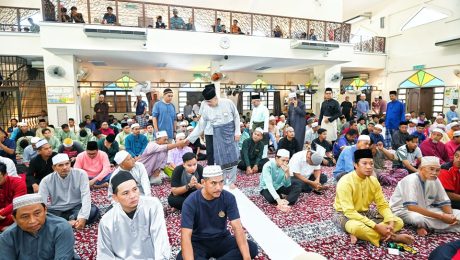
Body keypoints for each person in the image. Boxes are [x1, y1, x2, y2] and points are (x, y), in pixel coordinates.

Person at [333, 149, 413, 247]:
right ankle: (393, 237)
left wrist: (390, 220)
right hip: (344, 214)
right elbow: (349, 212)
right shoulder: (345, 182)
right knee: (356, 227)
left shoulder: (373, 181)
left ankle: (367, 234)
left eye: (371, 163)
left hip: (365, 213)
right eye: (364, 163)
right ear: (355, 165)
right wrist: (375, 226)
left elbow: (382, 204)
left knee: (398, 221)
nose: (369, 167)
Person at [177, 165, 258, 260]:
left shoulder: (228, 197)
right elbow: (186, 235)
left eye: (221, 182)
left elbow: (237, 227)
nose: (219, 187)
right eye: (213, 183)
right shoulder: (190, 201)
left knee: (251, 248)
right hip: (199, 242)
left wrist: (246, 258)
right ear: (203, 182)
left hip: (221, 239)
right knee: (182, 257)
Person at [98, 171, 171, 259]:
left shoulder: (152, 205)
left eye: (135, 189)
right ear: (115, 198)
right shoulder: (107, 220)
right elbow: (104, 254)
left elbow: (160, 239)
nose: (133, 196)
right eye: (126, 193)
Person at [186, 84, 241, 188]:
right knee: (221, 158)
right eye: (207, 102)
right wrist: (189, 138)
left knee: (233, 157)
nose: (208, 104)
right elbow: (201, 125)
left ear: (215, 98)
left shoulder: (227, 102)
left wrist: (237, 132)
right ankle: (223, 181)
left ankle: (232, 181)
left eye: (210, 101)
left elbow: (236, 116)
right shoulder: (206, 108)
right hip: (217, 135)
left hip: (230, 132)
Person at [390, 156, 460, 236]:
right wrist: (441, 217)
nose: (434, 173)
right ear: (421, 169)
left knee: (458, 213)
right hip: (404, 210)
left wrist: (450, 216)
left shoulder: (435, 179)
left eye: (437, 170)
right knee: (418, 219)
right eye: (431, 169)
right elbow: (411, 207)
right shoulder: (411, 180)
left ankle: (429, 226)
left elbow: (444, 201)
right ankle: (422, 225)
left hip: (427, 208)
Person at [0, 194, 78, 259]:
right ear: (15, 219)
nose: (32, 221)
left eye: (37, 213)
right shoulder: (7, 237)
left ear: (45, 210)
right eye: (25, 216)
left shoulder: (61, 228)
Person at [39, 154, 99, 230]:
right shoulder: (46, 180)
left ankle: (62, 222)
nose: (65, 167)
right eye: (60, 165)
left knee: (94, 210)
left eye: (67, 164)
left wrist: (83, 217)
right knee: (43, 215)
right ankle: (69, 222)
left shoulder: (81, 174)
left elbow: (86, 196)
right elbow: (41, 203)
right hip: (57, 210)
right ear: (54, 168)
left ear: (70, 163)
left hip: (76, 207)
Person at [0, 162, 26, 231]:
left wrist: (1, 213)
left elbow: (17, 203)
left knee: (20, 214)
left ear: (6, 175)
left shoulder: (18, 182)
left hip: (12, 211)